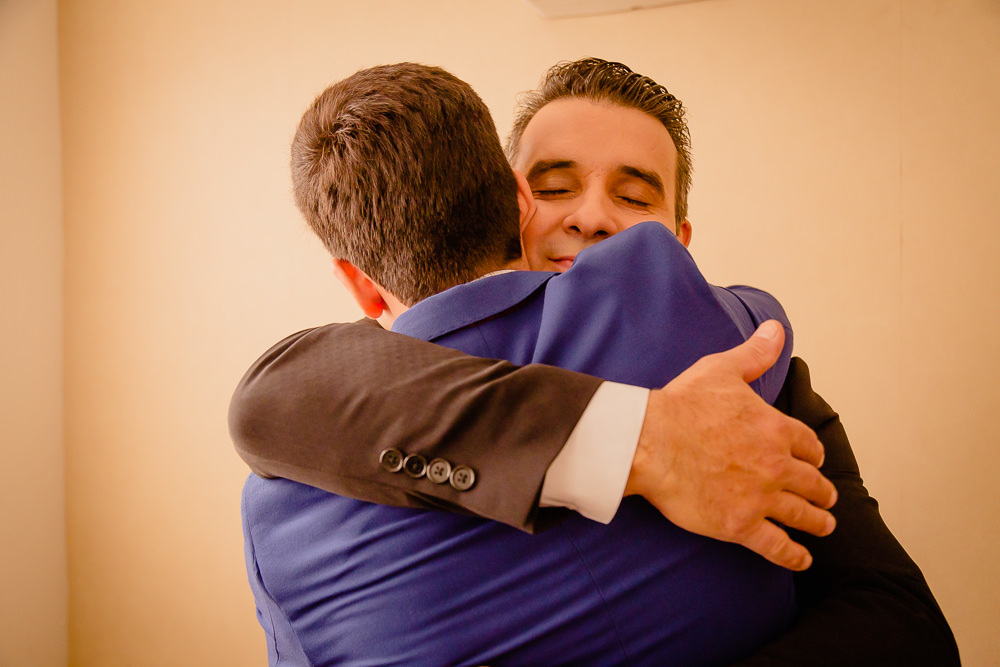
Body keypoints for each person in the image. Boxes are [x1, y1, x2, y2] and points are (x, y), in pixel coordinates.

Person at [232, 59, 959, 664]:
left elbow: (904, 629)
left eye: (635, 196)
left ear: (679, 243)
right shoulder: (327, 410)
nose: (592, 216)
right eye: (555, 187)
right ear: (512, 199)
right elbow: (278, 395)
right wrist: (644, 436)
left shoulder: (760, 382)